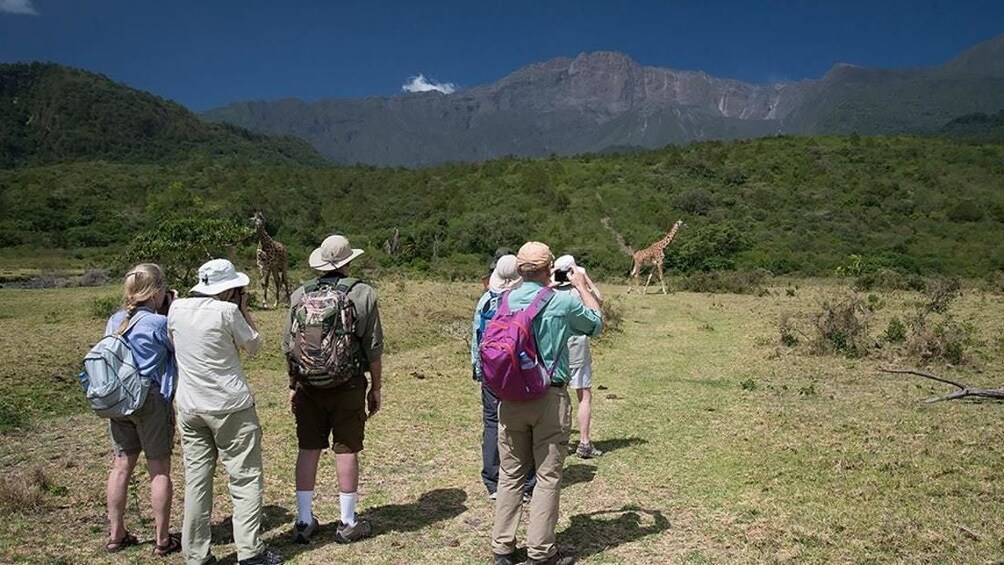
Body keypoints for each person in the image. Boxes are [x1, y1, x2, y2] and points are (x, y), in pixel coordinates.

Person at [491, 242, 603, 565]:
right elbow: (596, 323)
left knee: (510, 474)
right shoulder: (562, 301)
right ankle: (541, 552)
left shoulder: (505, 299)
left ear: (520, 268)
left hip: (509, 397)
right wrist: (581, 286)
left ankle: (502, 548)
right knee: (547, 476)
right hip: (548, 397)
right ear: (548, 268)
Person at [167, 259, 281, 565]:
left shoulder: (176, 309)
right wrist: (244, 309)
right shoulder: (228, 312)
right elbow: (255, 347)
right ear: (230, 289)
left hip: (190, 406)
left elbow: (173, 342)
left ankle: (195, 554)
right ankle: (250, 551)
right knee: (244, 478)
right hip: (231, 406)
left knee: (197, 481)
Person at [282, 234, 384, 545]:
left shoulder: (299, 294)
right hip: (348, 384)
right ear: (348, 261)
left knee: (308, 448)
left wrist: (293, 385)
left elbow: (289, 345)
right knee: (346, 449)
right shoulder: (363, 293)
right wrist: (376, 388)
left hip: (308, 385)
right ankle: (347, 521)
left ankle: (302, 520)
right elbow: (374, 347)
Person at [102, 263, 181, 556]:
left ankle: (115, 534)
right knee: (159, 470)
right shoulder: (159, 324)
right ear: (156, 291)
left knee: (121, 466)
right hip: (149, 398)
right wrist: (171, 311)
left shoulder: (114, 320)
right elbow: (176, 351)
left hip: (118, 399)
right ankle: (162, 539)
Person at [472, 254, 536, 502]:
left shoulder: (485, 300)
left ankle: (493, 480)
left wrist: (479, 371)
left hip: (491, 373)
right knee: (523, 425)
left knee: (491, 423)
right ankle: (526, 483)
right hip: (517, 373)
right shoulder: (523, 300)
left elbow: (477, 340)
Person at [552, 255, 604, 459]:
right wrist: (585, 280)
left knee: (557, 397)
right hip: (578, 351)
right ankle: (584, 442)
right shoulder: (579, 293)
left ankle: (557, 442)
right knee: (584, 395)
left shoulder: (551, 293)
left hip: (556, 352)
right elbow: (599, 301)